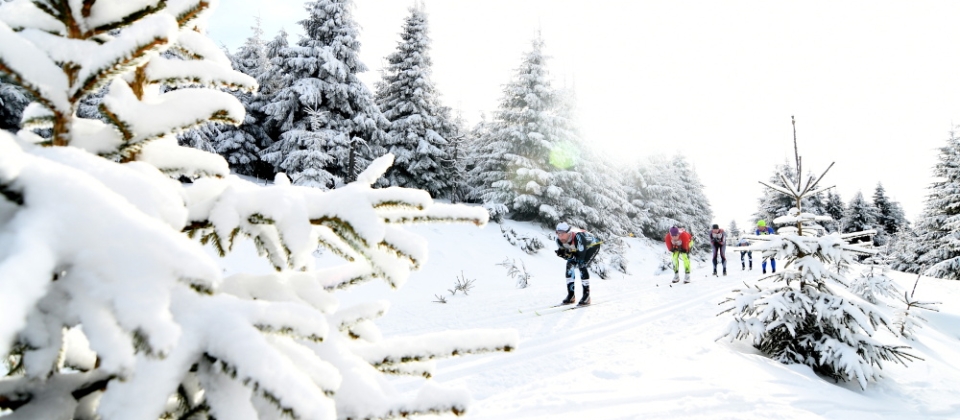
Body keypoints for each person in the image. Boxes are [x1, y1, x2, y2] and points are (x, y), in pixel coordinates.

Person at [555, 222, 602, 305]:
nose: (560, 236)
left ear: (568, 233)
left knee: (581, 264)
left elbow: (580, 258)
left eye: (562, 233)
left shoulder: (578, 238)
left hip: (592, 246)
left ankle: (586, 296)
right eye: (558, 233)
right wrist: (565, 255)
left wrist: (569, 256)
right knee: (569, 266)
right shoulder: (558, 240)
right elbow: (569, 255)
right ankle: (571, 295)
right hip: (578, 247)